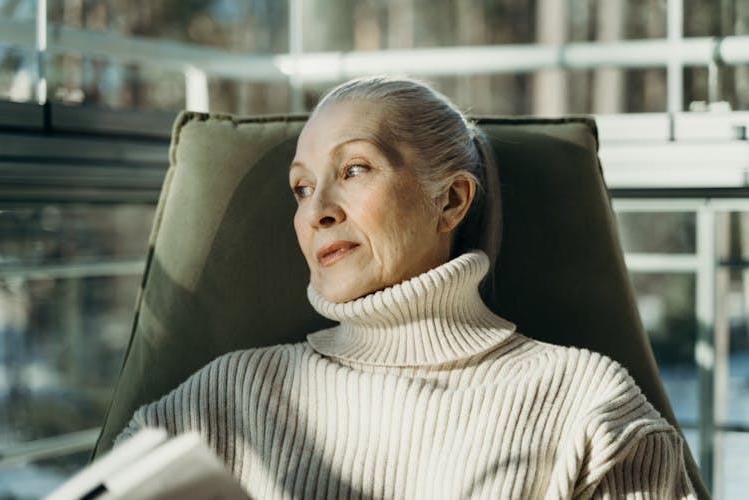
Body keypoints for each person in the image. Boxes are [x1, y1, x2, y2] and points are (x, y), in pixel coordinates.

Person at [117, 76, 697, 499]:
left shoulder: (587, 407)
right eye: (300, 188)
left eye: (354, 170)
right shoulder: (221, 399)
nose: (316, 210)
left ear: (449, 200)